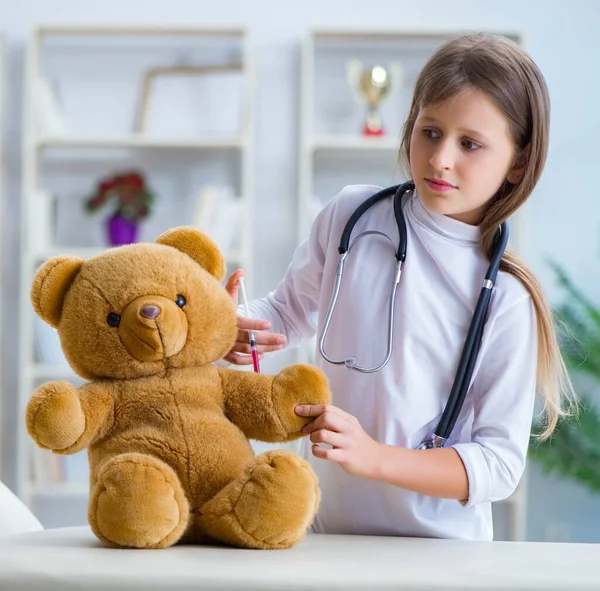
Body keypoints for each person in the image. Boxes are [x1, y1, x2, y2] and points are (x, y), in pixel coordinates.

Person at [223, 33, 576, 541]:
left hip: (439, 554)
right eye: (430, 132)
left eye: (470, 143)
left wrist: (375, 458)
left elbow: (497, 465)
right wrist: (236, 326)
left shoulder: (505, 297)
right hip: (326, 534)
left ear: (517, 162)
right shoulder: (351, 217)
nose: (440, 159)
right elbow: (287, 312)